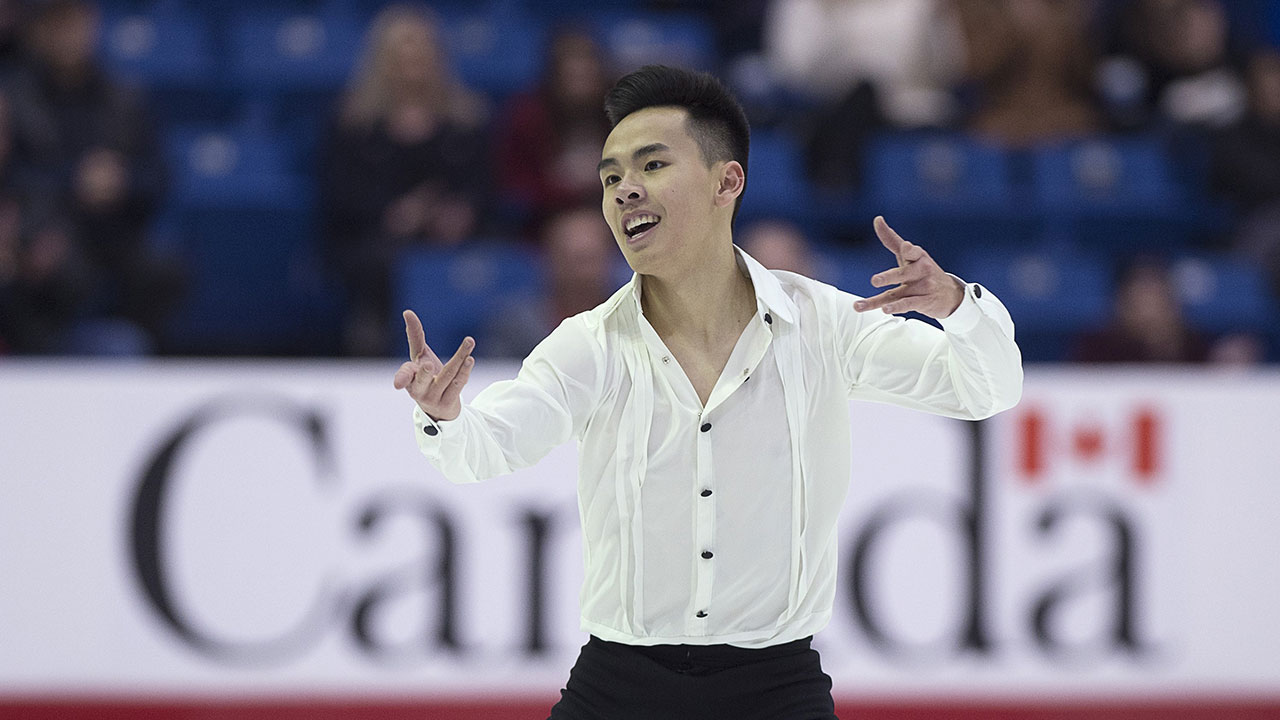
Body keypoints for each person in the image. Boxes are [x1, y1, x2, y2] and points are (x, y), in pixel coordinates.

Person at [394, 65, 1022, 719]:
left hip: (776, 688)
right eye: (610, 178)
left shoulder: (824, 326)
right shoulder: (590, 345)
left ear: (727, 181)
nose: (625, 190)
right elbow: (487, 447)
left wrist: (957, 306)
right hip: (618, 688)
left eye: (652, 165)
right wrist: (445, 417)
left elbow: (987, 390)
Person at [319, 3, 489, 356]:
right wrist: (393, 215)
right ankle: (375, 347)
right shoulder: (355, 125)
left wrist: (461, 213)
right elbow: (339, 196)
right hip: (375, 241)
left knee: (486, 262)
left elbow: (485, 188)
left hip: (452, 241)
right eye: (402, 56)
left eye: (421, 54)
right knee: (379, 264)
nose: (412, 65)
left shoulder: (466, 121)